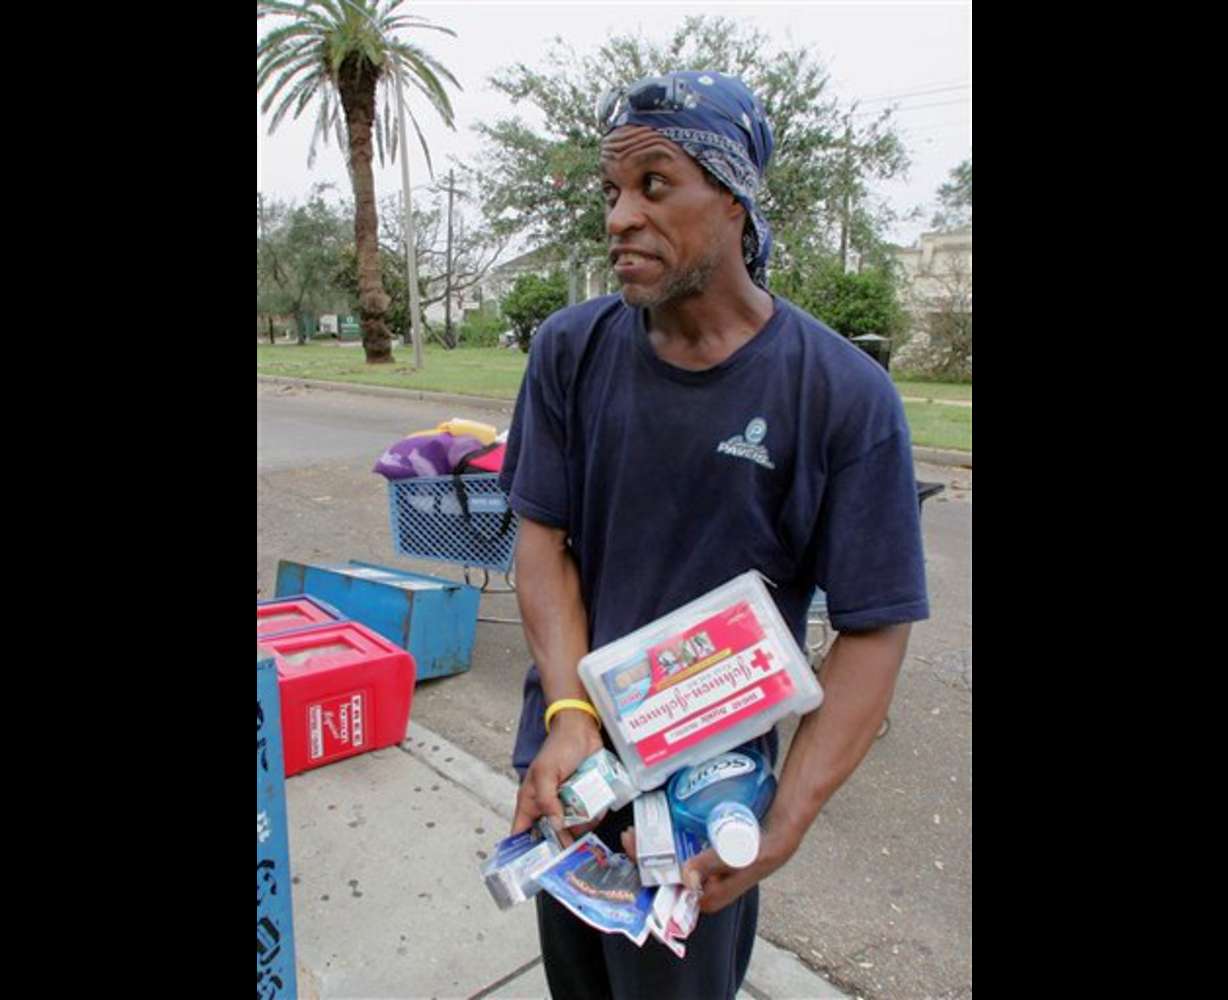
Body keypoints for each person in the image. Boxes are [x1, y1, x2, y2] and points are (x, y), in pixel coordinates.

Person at [497, 69, 929, 1000]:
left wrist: (787, 820)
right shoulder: (568, 353)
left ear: (733, 199)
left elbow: (874, 627)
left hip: (706, 810)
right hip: (570, 777)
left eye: (654, 185)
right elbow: (543, 544)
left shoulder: (842, 399)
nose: (619, 216)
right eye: (612, 190)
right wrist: (569, 720)